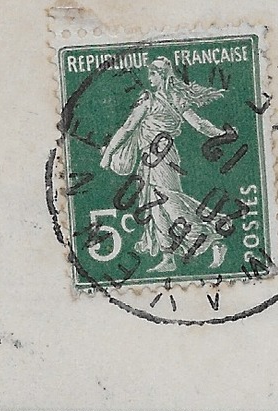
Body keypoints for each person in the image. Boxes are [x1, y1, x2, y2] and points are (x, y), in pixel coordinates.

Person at [99, 57, 232, 274]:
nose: (149, 77)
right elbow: (129, 127)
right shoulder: (160, 99)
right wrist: (222, 134)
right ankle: (168, 256)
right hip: (148, 159)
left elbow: (127, 127)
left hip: (162, 157)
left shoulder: (154, 100)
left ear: (162, 75)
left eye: (152, 73)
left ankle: (213, 240)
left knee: (170, 203)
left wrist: (108, 155)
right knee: (155, 208)